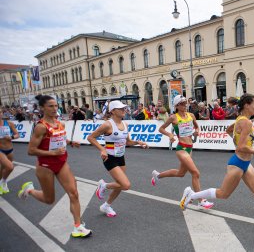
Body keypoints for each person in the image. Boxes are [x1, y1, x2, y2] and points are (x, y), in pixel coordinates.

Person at [179, 94, 254, 236]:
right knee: (223, 194)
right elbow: (240, 148)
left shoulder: (241, 120)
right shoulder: (246, 122)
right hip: (237, 163)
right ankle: (191, 195)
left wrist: (237, 140)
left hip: (246, 163)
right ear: (247, 105)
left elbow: (229, 131)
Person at [18, 95, 92, 238]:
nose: (54, 108)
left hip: (61, 163)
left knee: (74, 193)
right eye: (50, 106)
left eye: (56, 106)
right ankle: (30, 190)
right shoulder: (40, 127)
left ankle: (78, 226)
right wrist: (52, 153)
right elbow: (31, 150)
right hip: (45, 166)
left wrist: (70, 142)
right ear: (42, 108)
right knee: (49, 200)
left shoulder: (60, 124)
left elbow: (60, 138)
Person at [88, 100, 149, 217]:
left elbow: (128, 142)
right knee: (125, 185)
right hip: (109, 158)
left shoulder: (125, 124)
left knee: (119, 185)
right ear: (113, 111)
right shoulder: (107, 125)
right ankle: (104, 186)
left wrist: (138, 142)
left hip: (121, 157)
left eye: (124, 108)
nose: (124, 110)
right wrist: (102, 149)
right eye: (121, 109)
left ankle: (106, 206)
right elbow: (91, 138)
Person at [153, 95, 214, 209]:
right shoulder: (173, 117)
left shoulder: (191, 115)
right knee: (195, 173)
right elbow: (161, 129)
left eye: (185, 103)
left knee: (180, 173)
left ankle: (158, 176)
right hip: (181, 148)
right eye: (181, 103)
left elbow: (197, 127)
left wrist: (197, 131)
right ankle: (200, 200)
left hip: (189, 148)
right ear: (176, 106)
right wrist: (170, 134)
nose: (184, 105)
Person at [0, 110, 19, 194]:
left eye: (0, 112)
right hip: (0, 150)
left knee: (4, 168)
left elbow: (17, 135)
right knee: (10, 167)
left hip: (9, 149)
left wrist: (11, 137)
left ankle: (1, 182)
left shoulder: (9, 123)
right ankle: (3, 182)